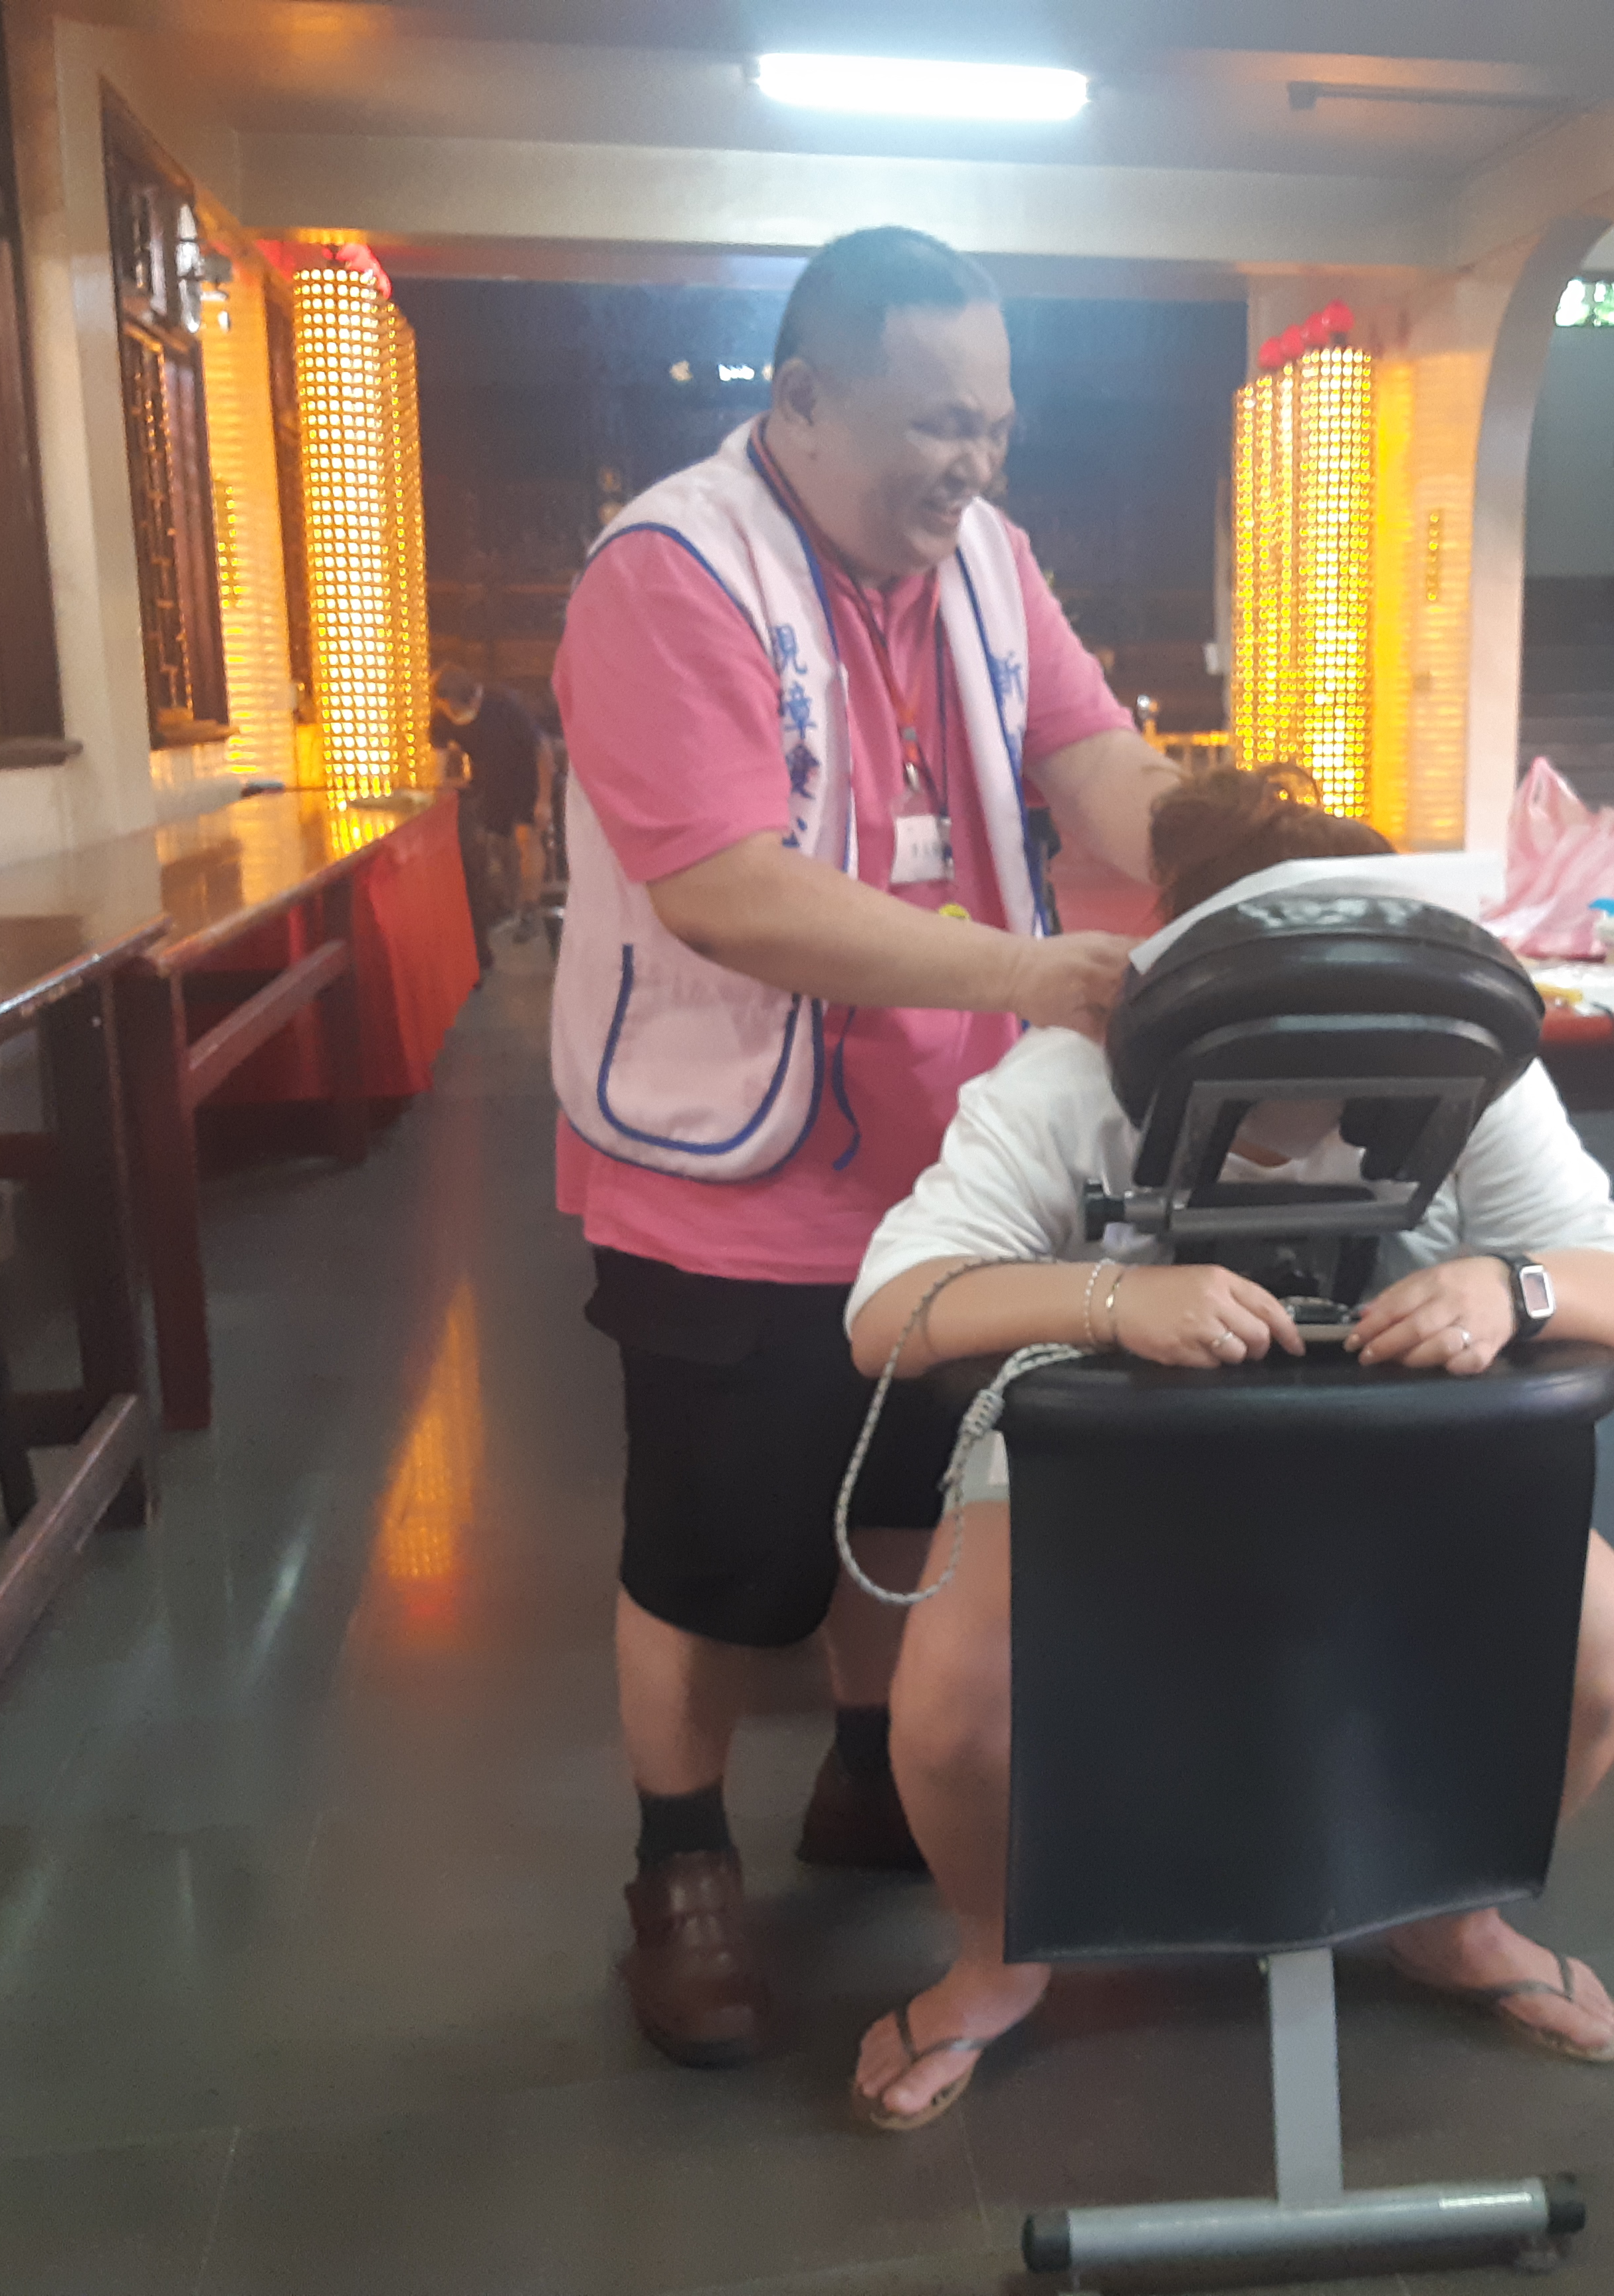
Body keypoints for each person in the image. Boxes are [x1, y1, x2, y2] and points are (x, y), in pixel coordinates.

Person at [548, 225, 1179, 2072]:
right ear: (803, 398)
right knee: (711, 1549)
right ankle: (679, 1865)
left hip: (945, 1156)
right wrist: (1037, 972)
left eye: (994, 425)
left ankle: (865, 1771)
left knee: (911, 1476)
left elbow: (1094, 763)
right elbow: (728, 890)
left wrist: (1257, 865)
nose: (970, 463)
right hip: (728, 1166)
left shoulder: (984, 557)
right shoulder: (670, 572)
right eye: (934, 423)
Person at [836, 765, 1614, 2131]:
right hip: (1094, 1483)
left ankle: (1448, 1916)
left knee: (1603, 1643)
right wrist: (1111, 1302)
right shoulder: (1064, 1084)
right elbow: (888, 1313)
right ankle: (999, 1954)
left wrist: (1508, 1287)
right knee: (956, 1695)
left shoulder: (1466, 1079)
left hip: (1383, 1468)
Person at [430, 666, 552, 973]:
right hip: (488, 780)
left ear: (473, 698)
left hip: (525, 776)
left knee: (527, 840)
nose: (454, 714)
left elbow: (542, 750)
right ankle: (506, 904)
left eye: (458, 708)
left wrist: (544, 800)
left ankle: (529, 909)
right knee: (493, 844)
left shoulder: (504, 706)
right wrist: (439, 786)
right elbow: (438, 759)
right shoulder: (443, 715)